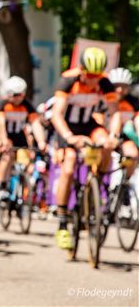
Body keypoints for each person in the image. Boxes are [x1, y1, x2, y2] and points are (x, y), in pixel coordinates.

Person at [51, 46, 117, 250]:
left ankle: (98, 185)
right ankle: (62, 222)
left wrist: (114, 135)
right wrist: (69, 137)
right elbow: (56, 115)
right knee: (69, 166)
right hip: (67, 127)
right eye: (89, 75)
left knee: (106, 143)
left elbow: (114, 113)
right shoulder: (68, 81)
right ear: (81, 70)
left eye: (97, 76)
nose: (93, 80)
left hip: (88, 124)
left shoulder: (104, 83)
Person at [0, 76, 46, 202]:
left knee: (27, 161)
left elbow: (35, 124)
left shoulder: (27, 106)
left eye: (18, 95)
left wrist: (41, 142)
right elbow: (0, 124)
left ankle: (22, 188)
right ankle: (1, 186)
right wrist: (3, 139)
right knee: (8, 157)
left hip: (19, 136)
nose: (15, 98)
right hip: (6, 135)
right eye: (12, 95)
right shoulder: (3, 105)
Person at [106, 67, 139, 180]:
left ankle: (124, 183)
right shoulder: (104, 99)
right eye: (116, 86)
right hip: (106, 135)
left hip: (124, 137)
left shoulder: (133, 102)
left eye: (123, 86)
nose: (119, 89)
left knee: (133, 155)